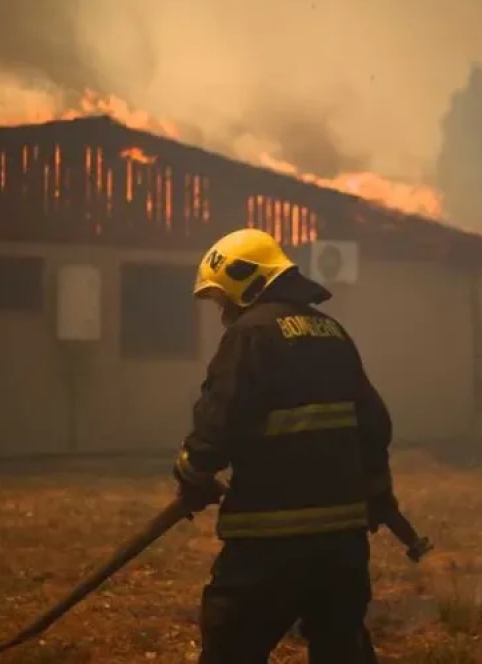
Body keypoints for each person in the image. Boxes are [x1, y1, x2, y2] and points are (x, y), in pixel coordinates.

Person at [173, 228, 395, 664]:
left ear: (248, 281)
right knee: (341, 649)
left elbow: (218, 422)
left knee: (230, 649)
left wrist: (191, 471)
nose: (224, 316)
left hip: (269, 542)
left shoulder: (250, 334)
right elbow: (374, 423)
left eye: (224, 301)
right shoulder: (332, 332)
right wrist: (377, 489)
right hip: (341, 545)